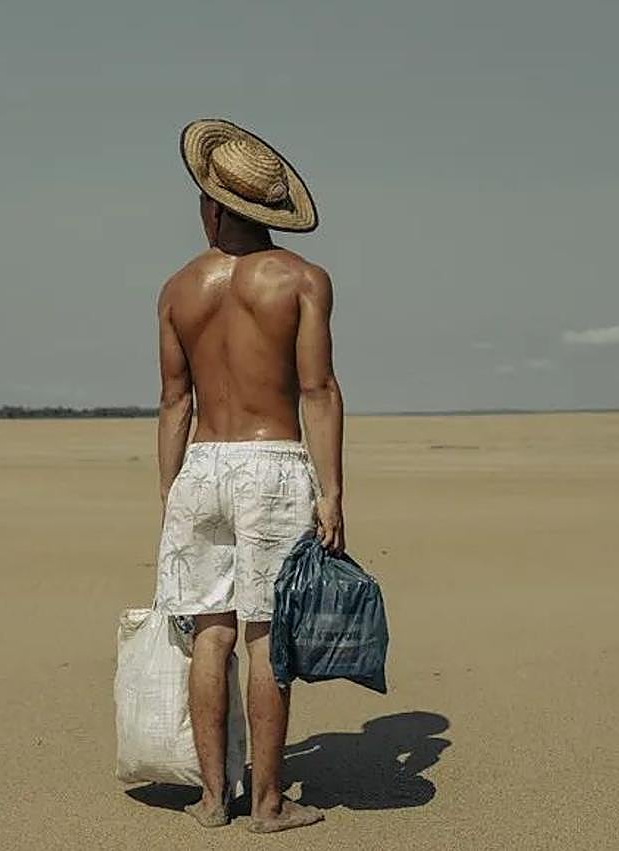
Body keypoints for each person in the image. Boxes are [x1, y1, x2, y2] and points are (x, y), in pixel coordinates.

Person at [154, 119, 344, 833]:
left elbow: (175, 401)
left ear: (214, 205)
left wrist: (169, 493)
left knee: (211, 632)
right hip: (273, 462)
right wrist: (332, 489)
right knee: (266, 634)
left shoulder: (178, 288)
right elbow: (317, 389)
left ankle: (212, 798)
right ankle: (267, 802)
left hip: (201, 463)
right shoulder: (301, 280)